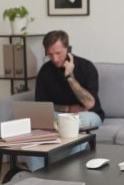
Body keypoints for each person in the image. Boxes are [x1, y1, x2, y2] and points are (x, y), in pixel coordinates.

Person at [26, 30, 104, 171]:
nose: (54, 59)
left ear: (67, 48)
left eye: (58, 53)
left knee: (74, 123)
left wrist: (70, 77)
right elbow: (42, 107)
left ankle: (69, 174)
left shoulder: (87, 67)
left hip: (89, 115)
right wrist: (68, 109)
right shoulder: (45, 71)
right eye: (50, 54)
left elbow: (89, 104)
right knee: (34, 128)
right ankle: (36, 176)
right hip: (57, 116)